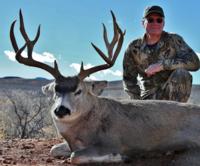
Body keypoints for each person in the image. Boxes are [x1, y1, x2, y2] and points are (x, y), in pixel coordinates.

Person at [123, 5, 200, 102]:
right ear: (143, 23)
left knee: (182, 74)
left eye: (159, 20)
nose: (155, 23)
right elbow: (128, 80)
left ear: (163, 23)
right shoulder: (133, 47)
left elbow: (195, 63)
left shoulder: (174, 40)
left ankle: (175, 114)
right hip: (147, 99)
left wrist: (162, 65)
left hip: (172, 96)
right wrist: (138, 103)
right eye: (150, 20)